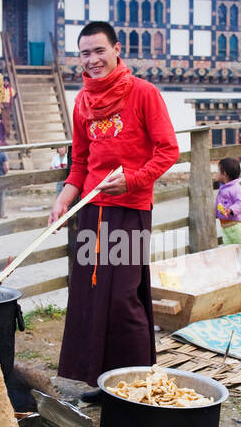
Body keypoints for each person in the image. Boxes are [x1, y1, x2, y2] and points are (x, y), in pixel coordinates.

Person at [51, 21, 179, 402]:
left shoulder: (143, 94)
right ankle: (104, 383)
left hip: (129, 210)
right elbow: (80, 161)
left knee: (124, 298)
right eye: (85, 53)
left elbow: (168, 150)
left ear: (116, 49)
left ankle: (137, 385)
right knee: (91, 295)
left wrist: (133, 180)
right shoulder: (82, 102)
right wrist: (65, 197)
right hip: (91, 213)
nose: (92, 60)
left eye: (99, 51)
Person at [215, 157, 241, 245]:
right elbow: (219, 203)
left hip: (238, 225)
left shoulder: (237, 189)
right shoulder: (223, 188)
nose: (216, 174)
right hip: (225, 226)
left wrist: (231, 210)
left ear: (224, 174)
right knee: (228, 250)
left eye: (218, 172)